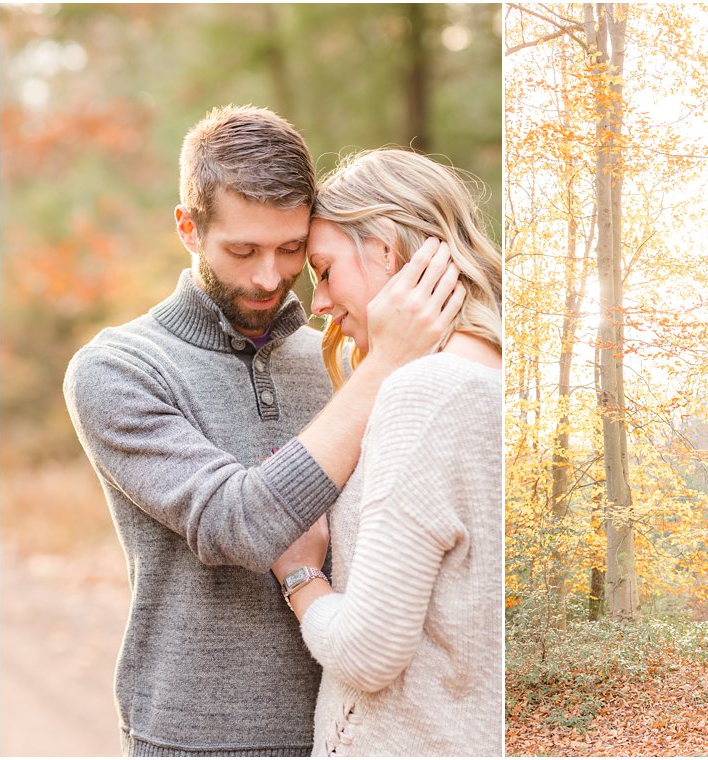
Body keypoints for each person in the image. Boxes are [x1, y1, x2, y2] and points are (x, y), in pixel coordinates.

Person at [62, 106, 459, 756]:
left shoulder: (342, 358)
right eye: (242, 250)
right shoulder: (116, 370)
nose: (269, 277)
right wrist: (384, 366)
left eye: (291, 249)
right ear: (189, 228)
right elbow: (236, 525)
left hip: (353, 733)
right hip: (193, 740)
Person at [269, 148, 503, 756]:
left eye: (323, 270)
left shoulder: (426, 393)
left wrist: (299, 573)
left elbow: (368, 654)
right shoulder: (495, 377)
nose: (316, 303)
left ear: (383, 248)